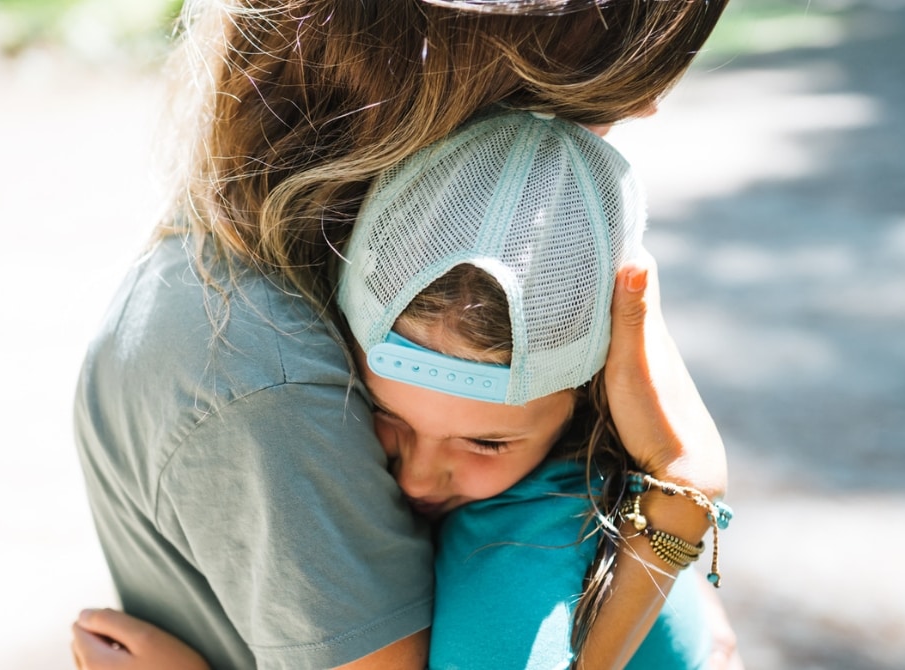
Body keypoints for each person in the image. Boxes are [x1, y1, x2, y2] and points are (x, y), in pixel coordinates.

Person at [71, 1, 733, 668]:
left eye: (485, 440)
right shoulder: (546, 485)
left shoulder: (507, 569)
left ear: (591, 394)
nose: (415, 478)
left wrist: (686, 501)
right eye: (383, 416)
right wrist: (675, 507)